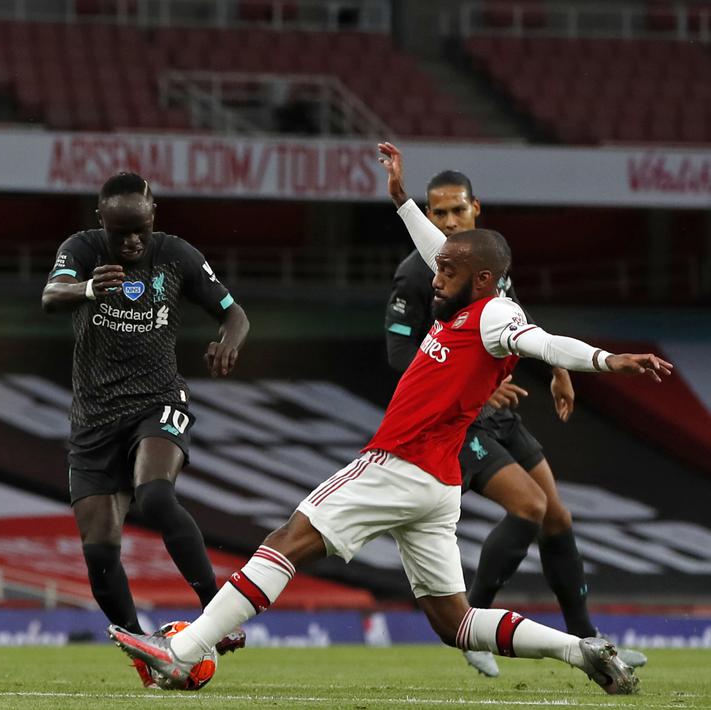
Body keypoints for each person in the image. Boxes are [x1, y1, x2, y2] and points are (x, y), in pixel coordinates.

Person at [111, 143, 672, 696]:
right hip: (437, 485)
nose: (434, 277)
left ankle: (183, 652)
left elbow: (543, 341)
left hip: (399, 463)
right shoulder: (467, 296)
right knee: (454, 622)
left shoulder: (495, 313)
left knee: (289, 539)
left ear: (479, 279)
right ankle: (581, 649)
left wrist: (606, 360)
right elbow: (441, 252)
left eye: (446, 271)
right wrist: (403, 200)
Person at [385, 171, 647, 676]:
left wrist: (558, 370)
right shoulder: (422, 270)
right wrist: (467, 377)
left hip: (501, 413)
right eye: (438, 213)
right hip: (458, 420)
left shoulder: (490, 267)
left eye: (456, 211)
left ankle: (589, 638)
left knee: (558, 517)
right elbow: (399, 353)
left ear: (475, 209)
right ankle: (472, 626)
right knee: (528, 506)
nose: (448, 221)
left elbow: (522, 329)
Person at [42, 172, 251, 687]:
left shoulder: (177, 255)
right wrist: (89, 286)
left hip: (158, 401)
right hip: (92, 417)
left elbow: (234, 313)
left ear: (154, 216)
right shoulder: (83, 249)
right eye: (121, 232)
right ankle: (144, 653)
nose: (132, 242)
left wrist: (229, 340)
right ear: (101, 223)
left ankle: (215, 614)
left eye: (140, 229)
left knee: (155, 495)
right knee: (98, 545)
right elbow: (51, 294)